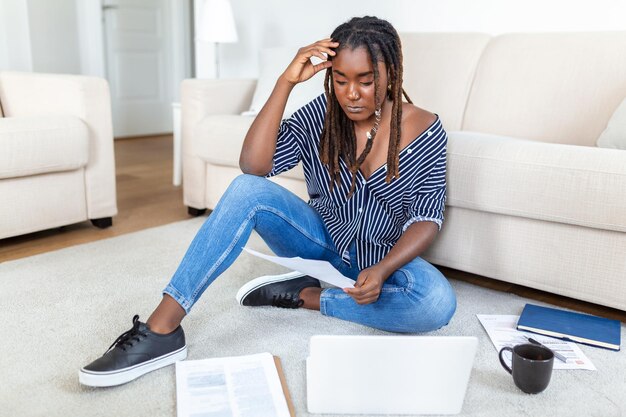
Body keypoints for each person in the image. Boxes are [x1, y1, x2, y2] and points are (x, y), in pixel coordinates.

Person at [79, 16, 456, 388]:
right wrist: (285, 83)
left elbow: (426, 218)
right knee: (246, 189)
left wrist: (383, 269)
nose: (351, 94)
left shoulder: (424, 128)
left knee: (436, 303)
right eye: (340, 80)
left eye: (365, 81)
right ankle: (161, 330)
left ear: (391, 73)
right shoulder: (322, 115)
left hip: (380, 258)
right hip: (321, 243)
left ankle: (307, 296)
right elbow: (254, 165)